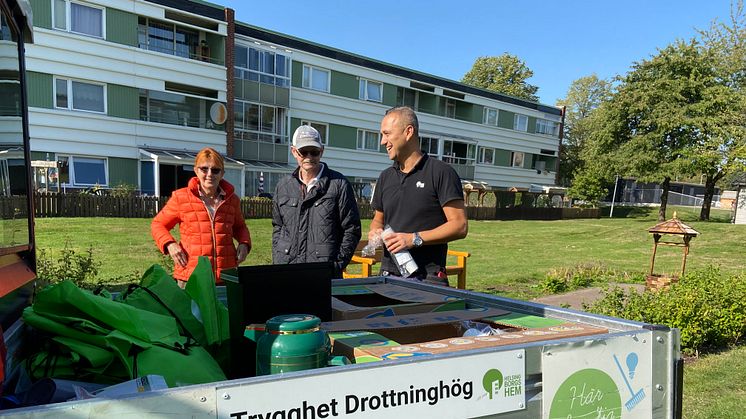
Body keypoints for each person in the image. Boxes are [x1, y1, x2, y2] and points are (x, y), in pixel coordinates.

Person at [369, 106, 468, 284]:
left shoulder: (441, 172)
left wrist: (414, 239)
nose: (383, 141)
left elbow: (459, 226)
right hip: (388, 276)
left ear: (408, 132)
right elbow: (378, 220)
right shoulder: (385, 176)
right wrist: (375, 232)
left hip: (427, 278)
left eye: (387, 134)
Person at [151, 147, 251, 285]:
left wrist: (244, 243)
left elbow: (240, 227)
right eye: (204, 169)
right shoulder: (181, 197)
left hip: (225, 276)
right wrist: (170, 244)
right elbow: (158, 224)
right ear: (196, 170)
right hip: (191, 276)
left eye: (215, 170)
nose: (209, 174)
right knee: (190, 308)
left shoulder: (232, 200)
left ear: (222, 173)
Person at [272, 125, 361, 276]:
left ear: (322, 151)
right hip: (288, 270)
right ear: (294, 151)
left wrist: (337, 265)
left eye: (314, 152)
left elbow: (352, 229)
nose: (309, 157)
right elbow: (278, 226)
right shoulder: (283, 186)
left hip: (323, 273)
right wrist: (279, 257)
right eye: (303, 152)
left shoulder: (338, 184)